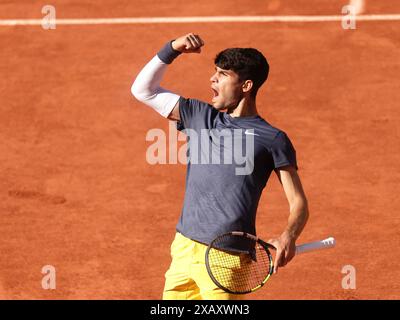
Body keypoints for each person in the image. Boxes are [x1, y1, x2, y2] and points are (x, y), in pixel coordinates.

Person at [131, 33, 309, 300]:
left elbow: (298, 202)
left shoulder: (272, 139)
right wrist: (172, 49)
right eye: (215, 72)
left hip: (226, 258)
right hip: (183, 248)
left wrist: (289, 235)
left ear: (246, 85)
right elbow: (143, 90)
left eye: (223, 74)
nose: (213, 79)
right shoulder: (201, 116)